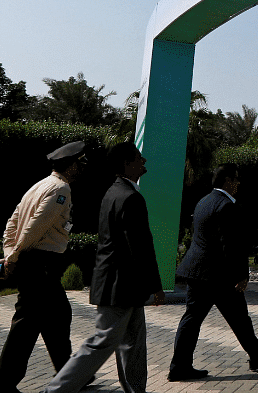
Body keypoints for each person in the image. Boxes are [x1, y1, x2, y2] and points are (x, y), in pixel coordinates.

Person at [43, 142, 165, 393]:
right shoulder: (130, 198)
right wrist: (155, 286)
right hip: (119, 287)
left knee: (133, 342)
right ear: (126, 164)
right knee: (101, 342)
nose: (144, 162)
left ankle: (136, 390)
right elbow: (140, 248)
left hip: (122, 285)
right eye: (139, 158)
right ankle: (55, 390)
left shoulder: (113, 192)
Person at [168, 163, 258, 381]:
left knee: (196, 319)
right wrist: (241, 275)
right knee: (238, 317)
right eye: (236, 180)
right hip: (218, 277)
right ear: (227, 181)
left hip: (198, 272)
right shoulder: (226, 206)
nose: (238, 184)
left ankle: (180, 366)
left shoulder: (204, 201)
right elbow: (230, 246)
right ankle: (256, 356)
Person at [0, 141, 87, 393]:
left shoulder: (39, 185)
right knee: (26, 328)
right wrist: (12, 259)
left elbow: (12, 223)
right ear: (70, 164)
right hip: (41, 265)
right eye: (80, 163)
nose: (83, 167)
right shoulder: (60, 188)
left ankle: (69, 376)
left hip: (35, 264)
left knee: (57, 318)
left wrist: (9, 252)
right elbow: (36, 226)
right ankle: (2, 387)